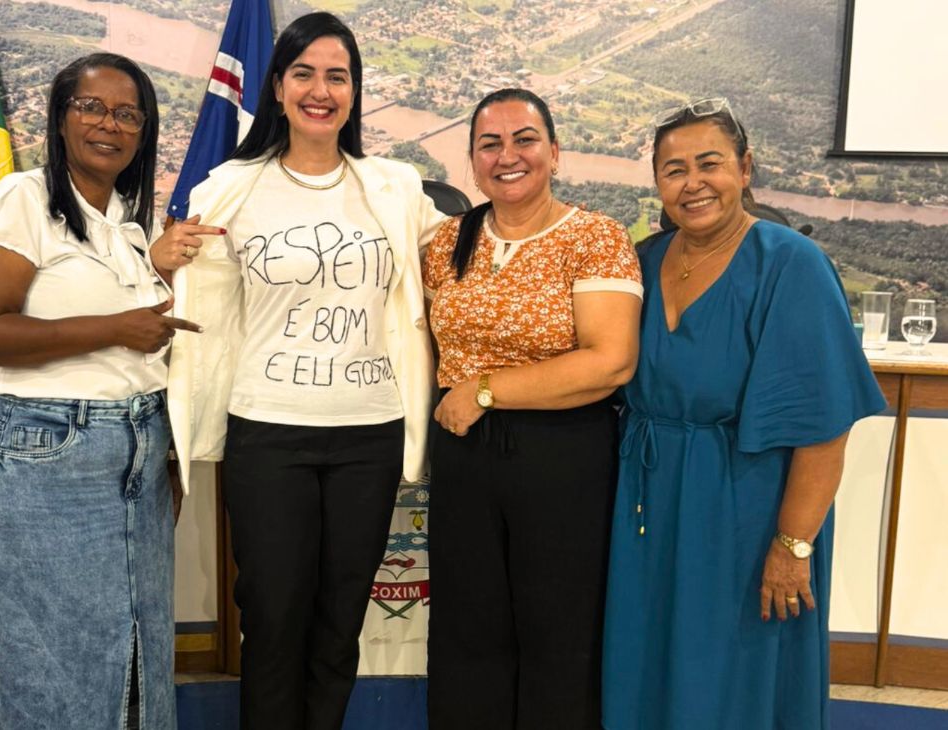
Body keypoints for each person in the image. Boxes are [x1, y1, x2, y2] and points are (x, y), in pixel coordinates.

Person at [156, 12, 445, 730]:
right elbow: (194, 304)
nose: (321, 90)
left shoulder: (395, 188)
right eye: (305, 73)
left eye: (338, 76)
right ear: (278, 87)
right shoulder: (230, 187)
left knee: (339, 621)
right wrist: (156, 262)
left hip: (369, 433)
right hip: (268, 434)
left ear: (354, 93)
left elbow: (453, 271)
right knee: (275, 618)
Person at [601, 98, 886, 730]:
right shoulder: (643, 262)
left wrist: (792, 546)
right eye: (674, 170)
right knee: (648, 652)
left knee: (737, 670)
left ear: (745, 168)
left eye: (710, 163)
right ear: (657, 184)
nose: (692, 183)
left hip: (747, 508)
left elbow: (822, 432)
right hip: (648, 502)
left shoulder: (791, 265)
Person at [0, 53, 214, 729]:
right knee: (58, 668)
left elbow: (141, 335)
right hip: (45, 455)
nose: (110, 124)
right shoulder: (22, 199)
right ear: (60, 117)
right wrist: (114, 329)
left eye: (128, 113)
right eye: (92, 107)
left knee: (135, 657)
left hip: (135, 454)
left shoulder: (127, 224)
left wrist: (162, 449)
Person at [423, 88, 643, 730]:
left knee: (559, 632)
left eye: (525, 139)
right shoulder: (446, 243)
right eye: (490, 144)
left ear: (555, 151)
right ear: (472, 161)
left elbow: (611, 362)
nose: (508, 156)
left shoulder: (595, 238)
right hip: (465, 458)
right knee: (467, 629)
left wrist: (486, 389)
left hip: (563, 457)